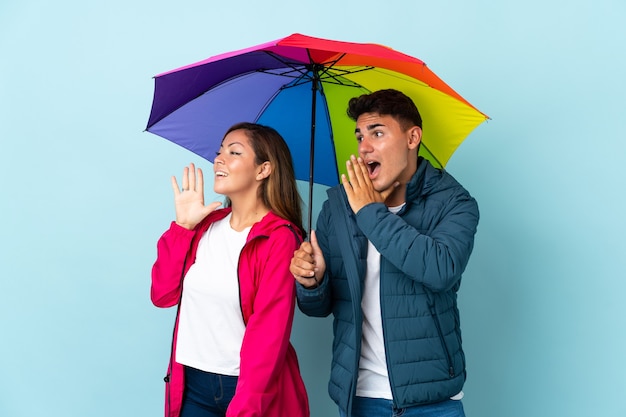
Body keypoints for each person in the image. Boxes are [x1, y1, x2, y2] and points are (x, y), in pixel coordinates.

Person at [290, 89, 479, 417]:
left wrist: (369, 212)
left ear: (412, 137)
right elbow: (321, 308)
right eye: (360, 135)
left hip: (432, 402)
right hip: (360, 397)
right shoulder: (338, 205)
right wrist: (312, 282)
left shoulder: (454, 202)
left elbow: (440, 270)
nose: (364, 147)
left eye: (378, 133)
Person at [151, 122, 310, 417]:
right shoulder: (205, 225)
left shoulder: (280, 239)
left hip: (248, 390)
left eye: (234, 152)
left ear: (264, 170)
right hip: (191, 385)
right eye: (219, 151)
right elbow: (162, 294)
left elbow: (268, 336)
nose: (218, 160)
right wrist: (183, 227)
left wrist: (246, 408)